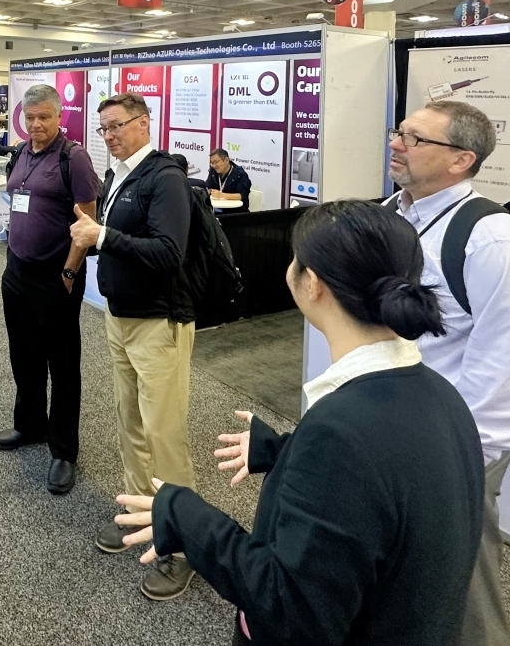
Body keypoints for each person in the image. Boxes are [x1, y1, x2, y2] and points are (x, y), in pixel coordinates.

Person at [113, 200, 484, 646]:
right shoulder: (441, 397)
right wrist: (287, 451)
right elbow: (385, 489)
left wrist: (186, 517)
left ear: (313, 284)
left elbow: (290, 608)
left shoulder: (341, 434)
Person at [386, 100, 510, 646]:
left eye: (415, 139)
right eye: (399, 132)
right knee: (406, 564)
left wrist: (465, 451)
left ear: (461, 159)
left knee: (461, 578)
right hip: (394, 426)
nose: (396, 144)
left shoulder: (493, 239)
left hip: (453, 440)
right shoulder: (395, 213)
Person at [69, 91, 196, 601]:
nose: (109, 136)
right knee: (130, 422)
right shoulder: (118, 175)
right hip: (119, 318)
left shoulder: (165, 178)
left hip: (158, 322)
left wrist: (102, 237)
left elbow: (168, 253)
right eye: (103, 128)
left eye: (117, 125)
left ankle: (182, 542)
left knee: (164, 432)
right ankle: (142, 511)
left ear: (144, 123)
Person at [0, 85, 100, 495]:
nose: (36, 124)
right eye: (30, 117)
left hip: (57, 276)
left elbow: (87, 223)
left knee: (62, 363)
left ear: (60, 117)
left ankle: (64, 449)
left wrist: (70, 272)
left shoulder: (74, 158)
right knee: (24, 354)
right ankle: (30, 425)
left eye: (44, 117)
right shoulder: (21, 152)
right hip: (17, 272)